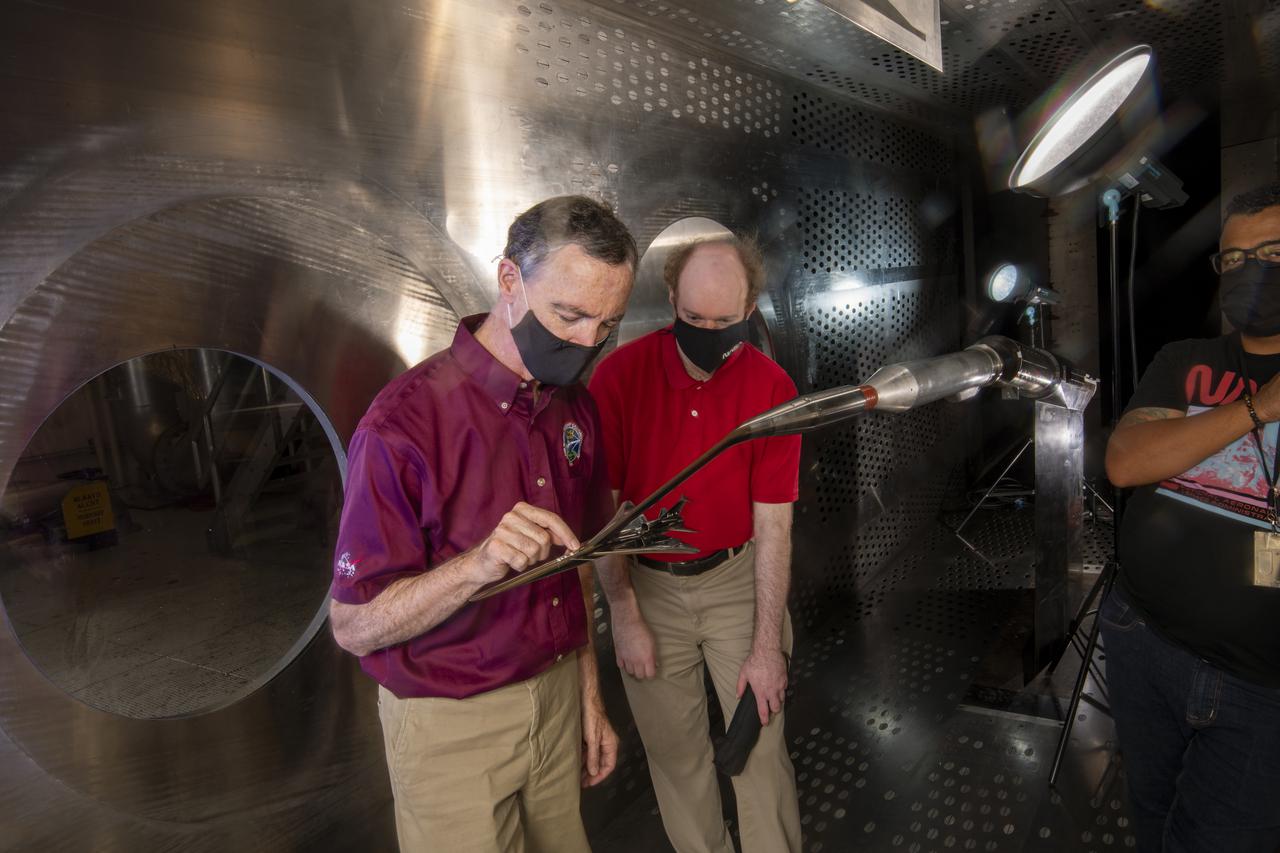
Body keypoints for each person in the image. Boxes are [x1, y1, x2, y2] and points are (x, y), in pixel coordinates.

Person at [327, 195, 636, 853]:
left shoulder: (574, 407)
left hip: (554, 697)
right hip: (451, 724)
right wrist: (478, 564)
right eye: (570, 314)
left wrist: (587, 692)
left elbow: (573, 560)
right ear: (509, 282)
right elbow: (353, 626)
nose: (588, 342)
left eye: (608, 323)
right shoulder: (401, 428)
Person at [588, 234, 803, 853]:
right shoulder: (621, 379)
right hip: (647, 585)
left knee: (760, 752)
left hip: (738, 582)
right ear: (672, 301)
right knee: (677, 759)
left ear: (750, 311)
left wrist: (767, 647)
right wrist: (623, 614)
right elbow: (604, 513)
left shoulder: (771, 388)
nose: (708, 334)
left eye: (725, 322)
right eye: (693, 320)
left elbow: (774, 524)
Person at [1104, 181, 1280, 853]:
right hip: (1142, 639)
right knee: (1152, 810)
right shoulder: (1187, 360)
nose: (1249, 271)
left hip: (1258, 680)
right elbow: (1126, 459)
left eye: (1271, 252)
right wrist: (1259, 407)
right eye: (1233, 260)